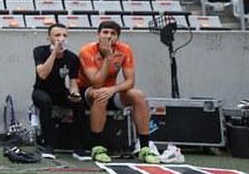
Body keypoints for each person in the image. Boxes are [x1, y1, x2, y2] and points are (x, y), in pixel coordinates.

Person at [76, 20, 157, 164]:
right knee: (100, 94)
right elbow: (96, 82)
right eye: (105, 32)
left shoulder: (125, 49)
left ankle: (145, 147)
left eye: (113, 34)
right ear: (98, 35)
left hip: (111, 90)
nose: (109, 36)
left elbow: (130, 81)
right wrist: (108, 57)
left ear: (118, 37)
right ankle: (97, 147)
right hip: (87, 91)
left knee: (138, 95)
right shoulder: (87, 51)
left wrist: (113, 89)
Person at [31, 23, 85, 153]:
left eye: (64, 35)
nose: (61, 38)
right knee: (45, 102)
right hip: (41, 90)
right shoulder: (39, 51)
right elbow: (42, 74)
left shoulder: (72, 58)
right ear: (49, 37)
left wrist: (75, 94)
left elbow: (73, 82)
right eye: (57, 35)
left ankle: (79, 147)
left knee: (80, 103)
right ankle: (49, 144)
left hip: (60, 92)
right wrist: (55, 52)